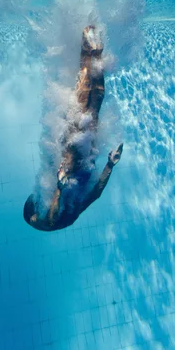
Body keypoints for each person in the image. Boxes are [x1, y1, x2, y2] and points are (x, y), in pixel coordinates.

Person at [24, 25, 123, 231]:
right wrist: (109, 165)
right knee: (90, 101)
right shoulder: (43, 220)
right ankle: (92, 51)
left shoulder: (65, 214)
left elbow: (95, 194)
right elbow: (50, 219)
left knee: (89, 102)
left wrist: (109, 166)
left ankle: (91, 50)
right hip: (78, 160)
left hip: (79, 157)